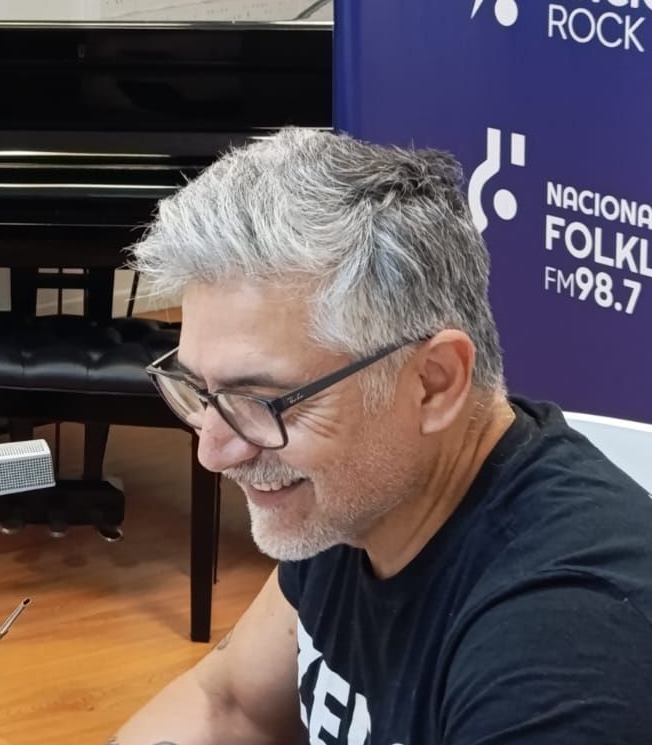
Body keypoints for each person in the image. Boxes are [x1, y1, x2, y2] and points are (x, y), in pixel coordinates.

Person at [110, 129, 652, 743]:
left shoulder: (566, 655)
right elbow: (227, 703)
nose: (212, 451)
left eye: (259, 401)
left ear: (434, 384)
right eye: (200, 390)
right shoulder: (360, 496)